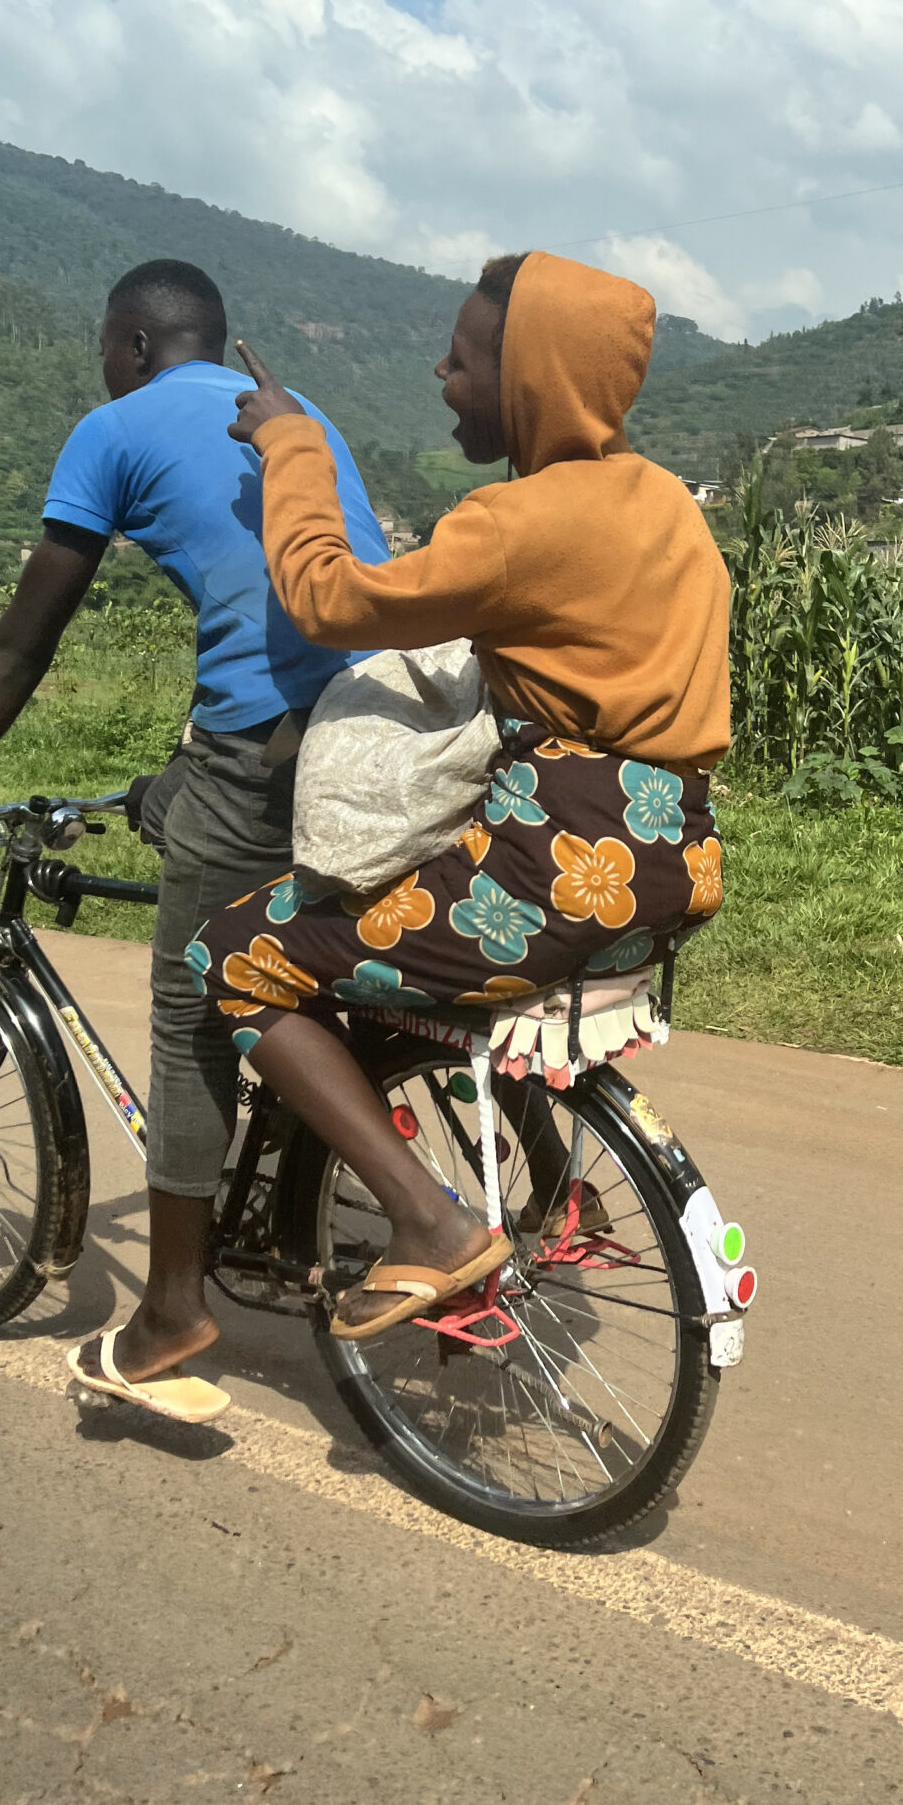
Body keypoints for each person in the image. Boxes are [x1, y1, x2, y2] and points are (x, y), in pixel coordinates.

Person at [98, 248, 729, 1373]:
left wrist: (291, 447)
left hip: (544, 871)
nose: (442, 372)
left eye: (467, 357)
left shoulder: (520, 519)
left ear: (530, 378)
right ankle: (527, 1180)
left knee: (236, 953)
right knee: (377, 961)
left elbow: (330, 599)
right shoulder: (665, 503)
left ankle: (430, 1221)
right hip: (666, 858)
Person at [0, 258, 389, 1408]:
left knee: (193, 1010)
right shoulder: (296, 412)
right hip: (384, 724)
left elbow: (22, 640)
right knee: (327, 962)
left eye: (108, 349)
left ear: (137, 345)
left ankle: (170, 1308)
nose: (104, 367)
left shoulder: (111, 430)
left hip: (266, 742)